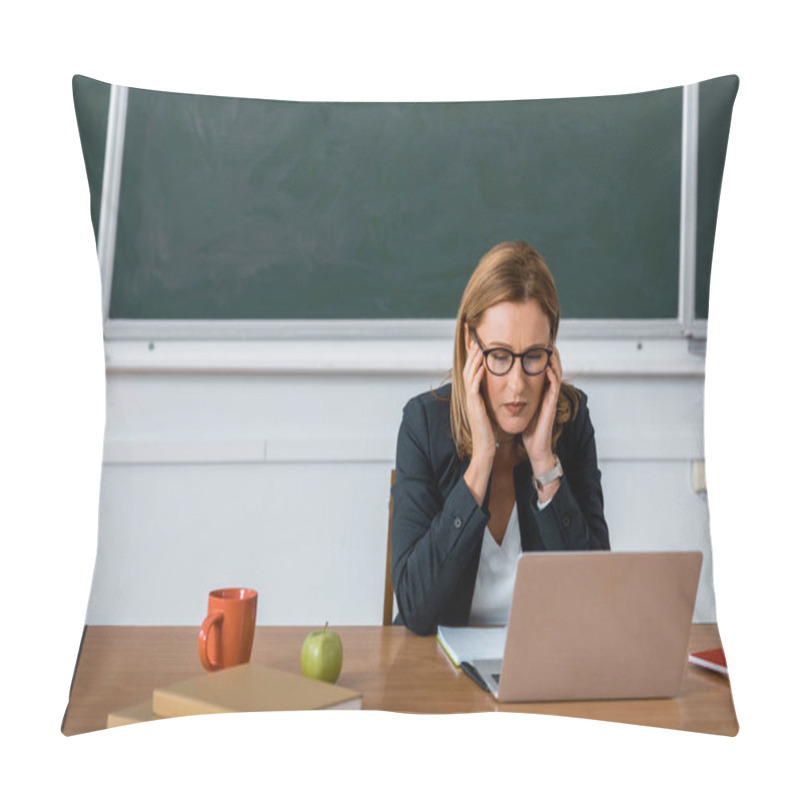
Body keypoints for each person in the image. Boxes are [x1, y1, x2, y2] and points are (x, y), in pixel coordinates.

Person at [391, 241, 609, 636]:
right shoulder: (423, 425)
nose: (517, 384)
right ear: (470, 344)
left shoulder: (572, 423)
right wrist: (481, 463)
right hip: (439, 672)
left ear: (552, 346)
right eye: (500, 356)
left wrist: (544, 465)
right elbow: (416, 610)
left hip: (542, 663)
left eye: (533, 357)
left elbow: (593, 599)